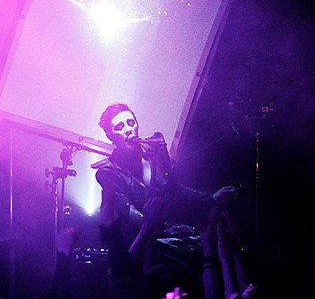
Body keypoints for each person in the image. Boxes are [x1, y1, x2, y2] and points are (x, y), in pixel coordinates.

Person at [93, 103, 237, 273]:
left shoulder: (155, 150)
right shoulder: (108, 172)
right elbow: (130, 214)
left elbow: (173, 187)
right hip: (136, 245)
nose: (128, 130)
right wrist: (169, 228)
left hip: (166, 242)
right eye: (119, 127)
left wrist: (212, 197)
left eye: (131, 123)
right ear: (110, 136)